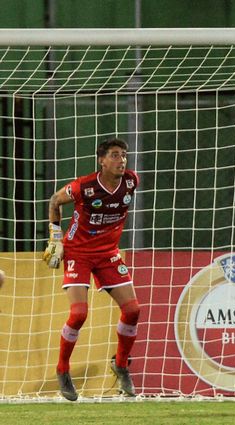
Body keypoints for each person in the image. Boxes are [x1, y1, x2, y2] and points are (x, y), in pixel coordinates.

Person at [43, 138, 140, 401]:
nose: (121, 160)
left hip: (108, 254)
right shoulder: (84, 186)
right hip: (79, 252)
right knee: (79, 314)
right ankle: (62, 369)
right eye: (115, 155)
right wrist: (55, 237)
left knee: (132, 311)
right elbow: (54, 200)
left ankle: (120, 365)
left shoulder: (131, 181)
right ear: (101, 160)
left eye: (124, 155)